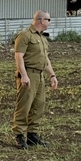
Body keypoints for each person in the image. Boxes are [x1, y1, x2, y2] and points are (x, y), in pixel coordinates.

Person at [12, 10, 59, 149]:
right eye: (48, 20)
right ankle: (19, 135)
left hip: (39, 75)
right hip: (29, 73)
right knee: (24, 105)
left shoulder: (42, 38)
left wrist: (52, 75)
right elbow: (19, 57)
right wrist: (24, 75)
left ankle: (32, 134)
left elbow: (45, 59)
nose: (49, 22)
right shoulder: (25, 35)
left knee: (39, 105)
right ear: (41, 20)